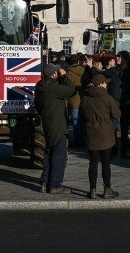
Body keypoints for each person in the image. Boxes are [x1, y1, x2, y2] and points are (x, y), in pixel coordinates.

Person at [35, 63, 76, 194]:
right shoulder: (52, 87)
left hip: (47, 123)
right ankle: (55, 185)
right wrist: (64, 77)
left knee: (49, 153)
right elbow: (71, 90)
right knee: (59, 156)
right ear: (53, 74)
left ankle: (45, 181)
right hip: (57, 125)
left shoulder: (41, 86)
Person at [82, 73, 121, 199]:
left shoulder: (86, 97)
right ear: (101, 84)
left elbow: (82, 115)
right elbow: (117, 114)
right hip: (105, 133)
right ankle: (107, 189)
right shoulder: (107, 97)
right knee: (105, 163)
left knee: (92, 163)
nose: (107, 84)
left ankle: (92, 190)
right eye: (105, 82)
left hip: (91, 132)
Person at [66, 54, 87, 147]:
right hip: (83, 98)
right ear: (79, 61)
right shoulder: (84, 71)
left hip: (73, 99)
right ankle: (84, 139)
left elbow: (67, 86)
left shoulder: (69, 72)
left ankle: (78, 140)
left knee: (75, 121)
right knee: (83, 121)